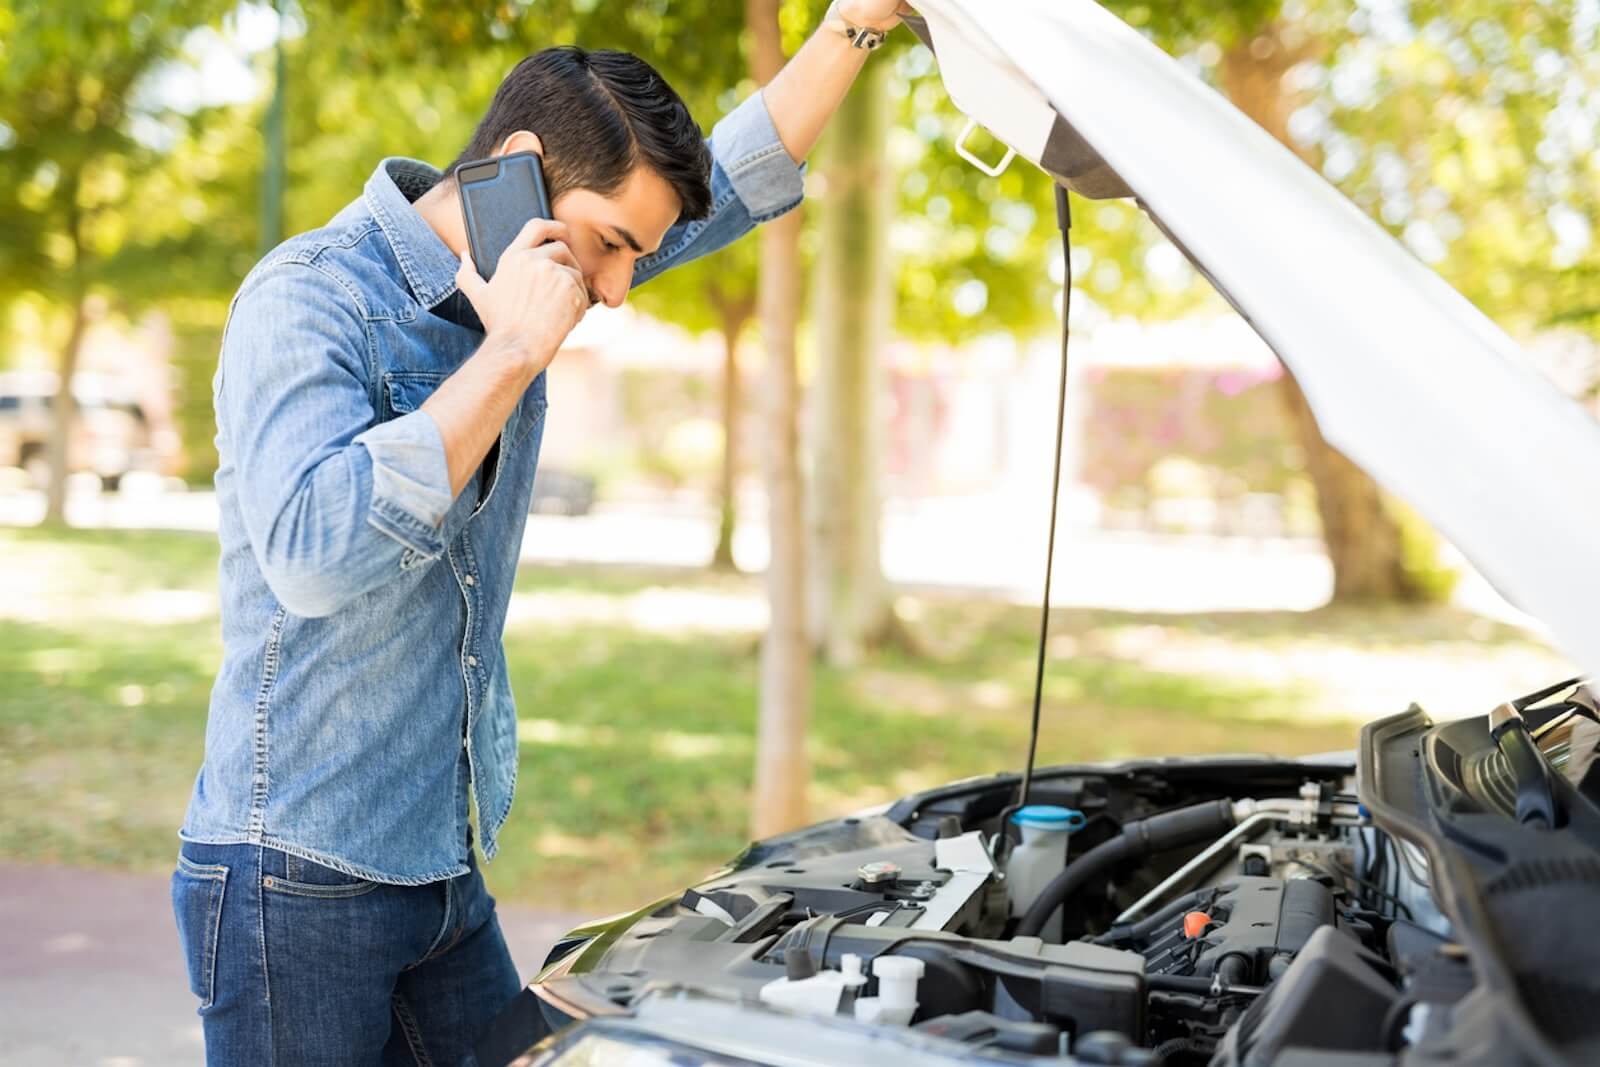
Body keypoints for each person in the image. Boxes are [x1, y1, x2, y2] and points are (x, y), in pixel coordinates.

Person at [170, 3, 910, 1063]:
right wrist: (510, 352)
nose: (616, 289)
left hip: (438, 861)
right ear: (518, 167)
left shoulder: (551, 259)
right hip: (292, 874)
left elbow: (736, 180)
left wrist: (851, 26)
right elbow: (312, 556)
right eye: (611, 245)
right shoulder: (309, 298)